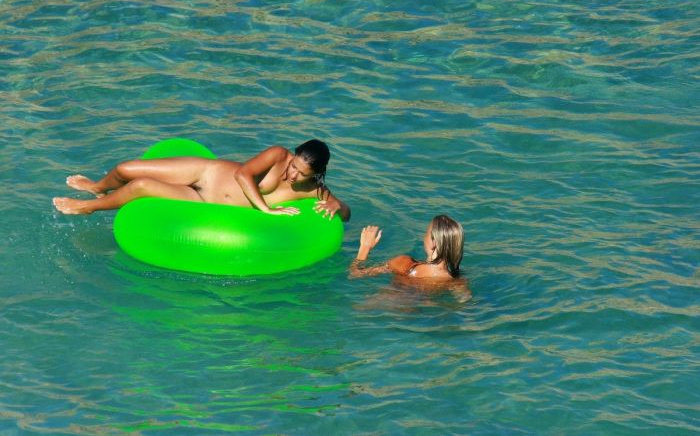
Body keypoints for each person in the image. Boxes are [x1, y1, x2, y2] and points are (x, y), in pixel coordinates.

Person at [52, 139, 351, 221]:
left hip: (204, 201)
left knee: (139, 187)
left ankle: (89, 207)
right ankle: (97, 187)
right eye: (294, 165)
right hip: (206, 172)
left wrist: (337, 206)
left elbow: (346, 212)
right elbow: (242, 174)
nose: (292, 174)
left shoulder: (314, 190)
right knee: (126, 169)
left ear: (316, 175)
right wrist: (266, 209)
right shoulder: (277, 155)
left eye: (301, 173)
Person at [350, 215, 470, 300]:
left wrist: (365, 247)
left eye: (426, 233)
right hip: (415, 316)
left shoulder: (405, 264)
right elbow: (465, 301)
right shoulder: (456, 282)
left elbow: (356, 274)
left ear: (433, 241)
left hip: (379, 308)